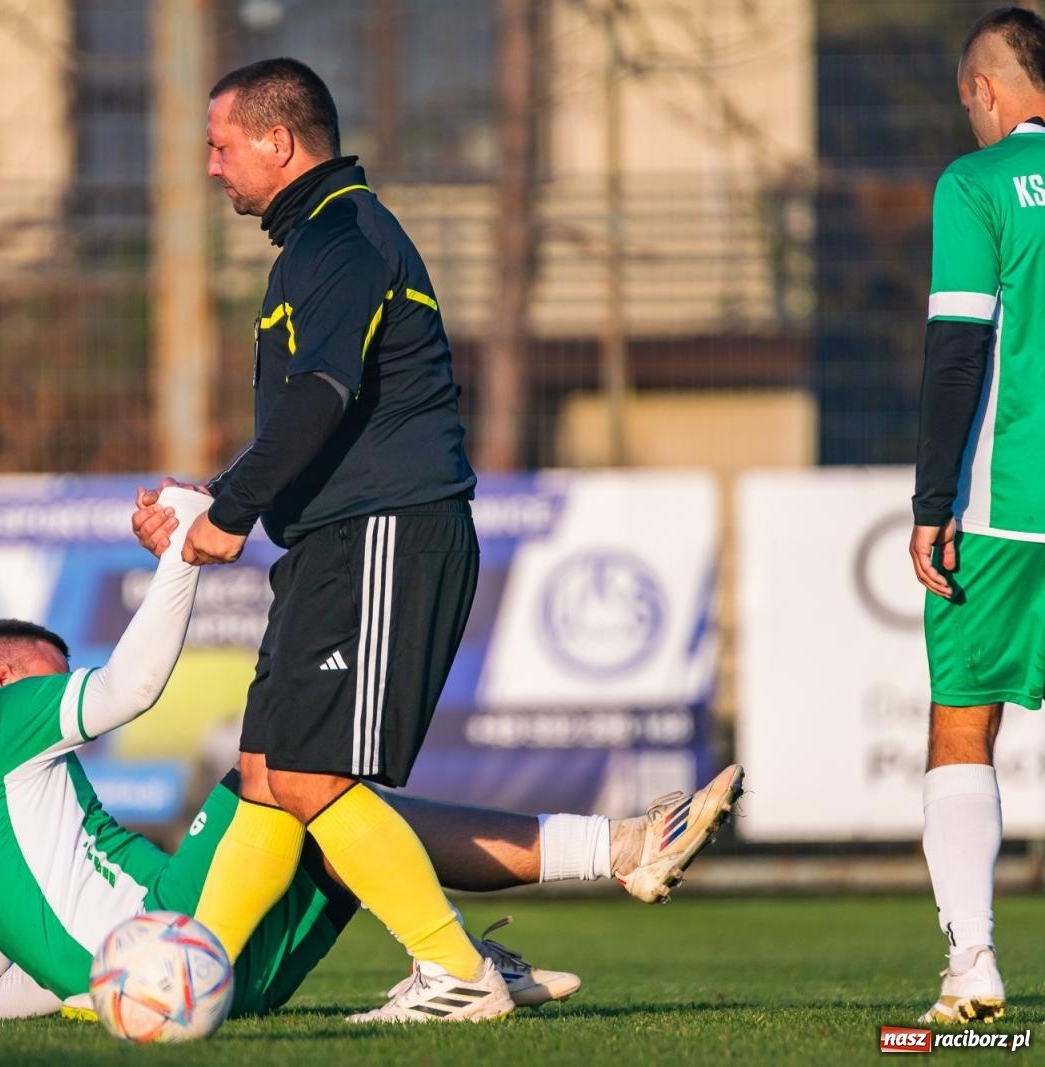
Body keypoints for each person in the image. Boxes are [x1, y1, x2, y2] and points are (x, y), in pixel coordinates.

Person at [134, 57, 744, 1022]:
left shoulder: (342, 236)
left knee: (309, 778)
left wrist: (231, 510)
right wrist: (212, 497)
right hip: (334, 539)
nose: (210, 167)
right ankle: (185, 974)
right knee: (265, 781)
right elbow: (315, 416)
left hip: (380, 536)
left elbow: (321, 398)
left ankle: (457, 970)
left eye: (220, 146)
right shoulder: (315, 242)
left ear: (278, 142)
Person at [0, 487, 743, 1022]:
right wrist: (181, 555)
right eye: (50, 677)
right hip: (178, 935)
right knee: (285, 766)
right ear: (1, 681)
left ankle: (486, 938)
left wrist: (108, 988)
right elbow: (128, 687)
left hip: (209, 990)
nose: (60, 693)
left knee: (330, 810)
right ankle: (535, 905)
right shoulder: (1, 720)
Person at [908, 5, 1045, 1027]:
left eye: (968, 100)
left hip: (1005, 510)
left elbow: (958, 348)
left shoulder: (976, 183)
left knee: (963, 722)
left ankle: (974, 965)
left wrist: (932, 502)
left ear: (985, 89)